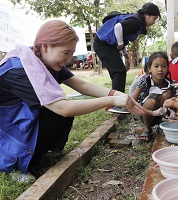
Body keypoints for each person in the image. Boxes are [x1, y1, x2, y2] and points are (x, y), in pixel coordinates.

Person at [0, 20, 145, 178]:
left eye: (71, 53)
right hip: (6, 126)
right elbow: (63, 108)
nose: (69, 59)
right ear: (45, 46)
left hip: (20, 116)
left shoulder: (41, 59)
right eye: (66, 52)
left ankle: (35, 154)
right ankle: (15, 165)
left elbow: (81, 84)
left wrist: (117, 94)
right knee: (59, 114)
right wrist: (111, 101)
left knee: (57, 117)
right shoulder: (21, 68)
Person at [93, 3, 161, 93]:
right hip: (102, 43)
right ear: (146, 15)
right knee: (119, 72)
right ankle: (117, 102)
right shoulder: (136, 22)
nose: (154, 22)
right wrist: (120, 44)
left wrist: (126, 57)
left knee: (119, 72)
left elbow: (121, 39)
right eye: (154, 19)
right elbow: (118, 27)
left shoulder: (136, 22)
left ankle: (117, 99)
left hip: (107, 45)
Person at [131, 51, 175, 142]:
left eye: (163, 66)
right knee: (151, 101)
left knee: (167, 94)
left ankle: (161, 125)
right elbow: (132, 101)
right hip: (145, 114)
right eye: (156, 66)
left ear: (167, 68)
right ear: (149, 68)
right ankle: (147, 129)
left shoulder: (170, 83)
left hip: (162, 115)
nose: (160, 70)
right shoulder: (145, 81)